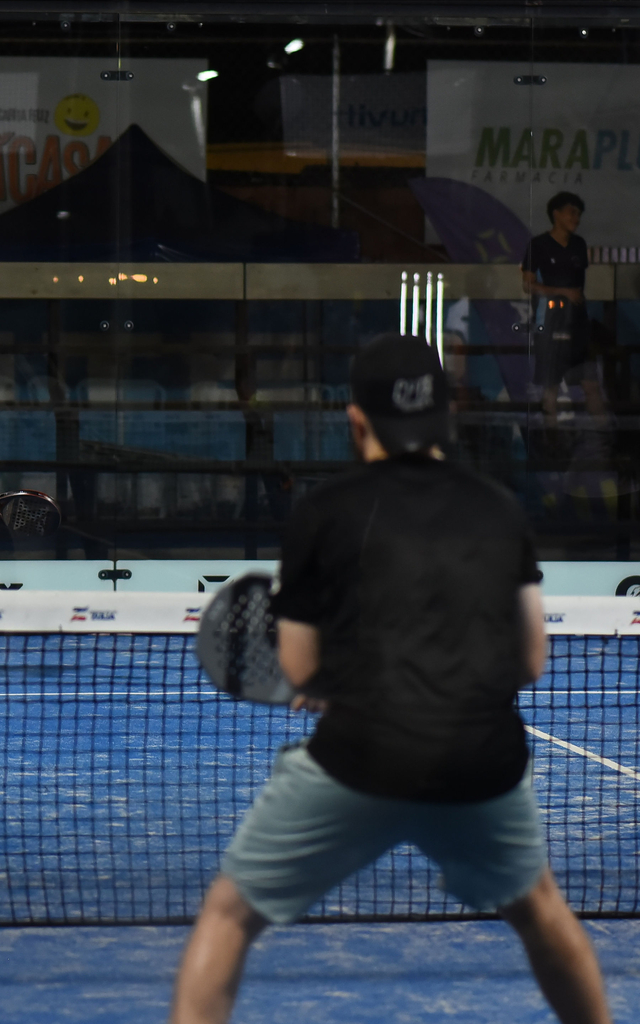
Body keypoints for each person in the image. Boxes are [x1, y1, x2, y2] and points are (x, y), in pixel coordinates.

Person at [170, 335, 612, 1024]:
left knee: (229, 915)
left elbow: (299, 669)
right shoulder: (499, 507)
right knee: (540, 909)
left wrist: (346, 678)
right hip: (482, 763)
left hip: (361, 757)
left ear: (356, 420)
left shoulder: (323, 511)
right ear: (447, 413)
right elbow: (530, 661)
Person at [521, 191, 605, 428]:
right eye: (572, 212)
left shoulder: (578, 244)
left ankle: (604, 438)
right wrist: (563, 292)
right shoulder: (538, 245)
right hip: (550, 321)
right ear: (556, 214)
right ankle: (551, 439)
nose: (576, 218)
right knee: (551, 388)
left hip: (577, 322)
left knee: (591, 384)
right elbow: (528, 285)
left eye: (579, 214)